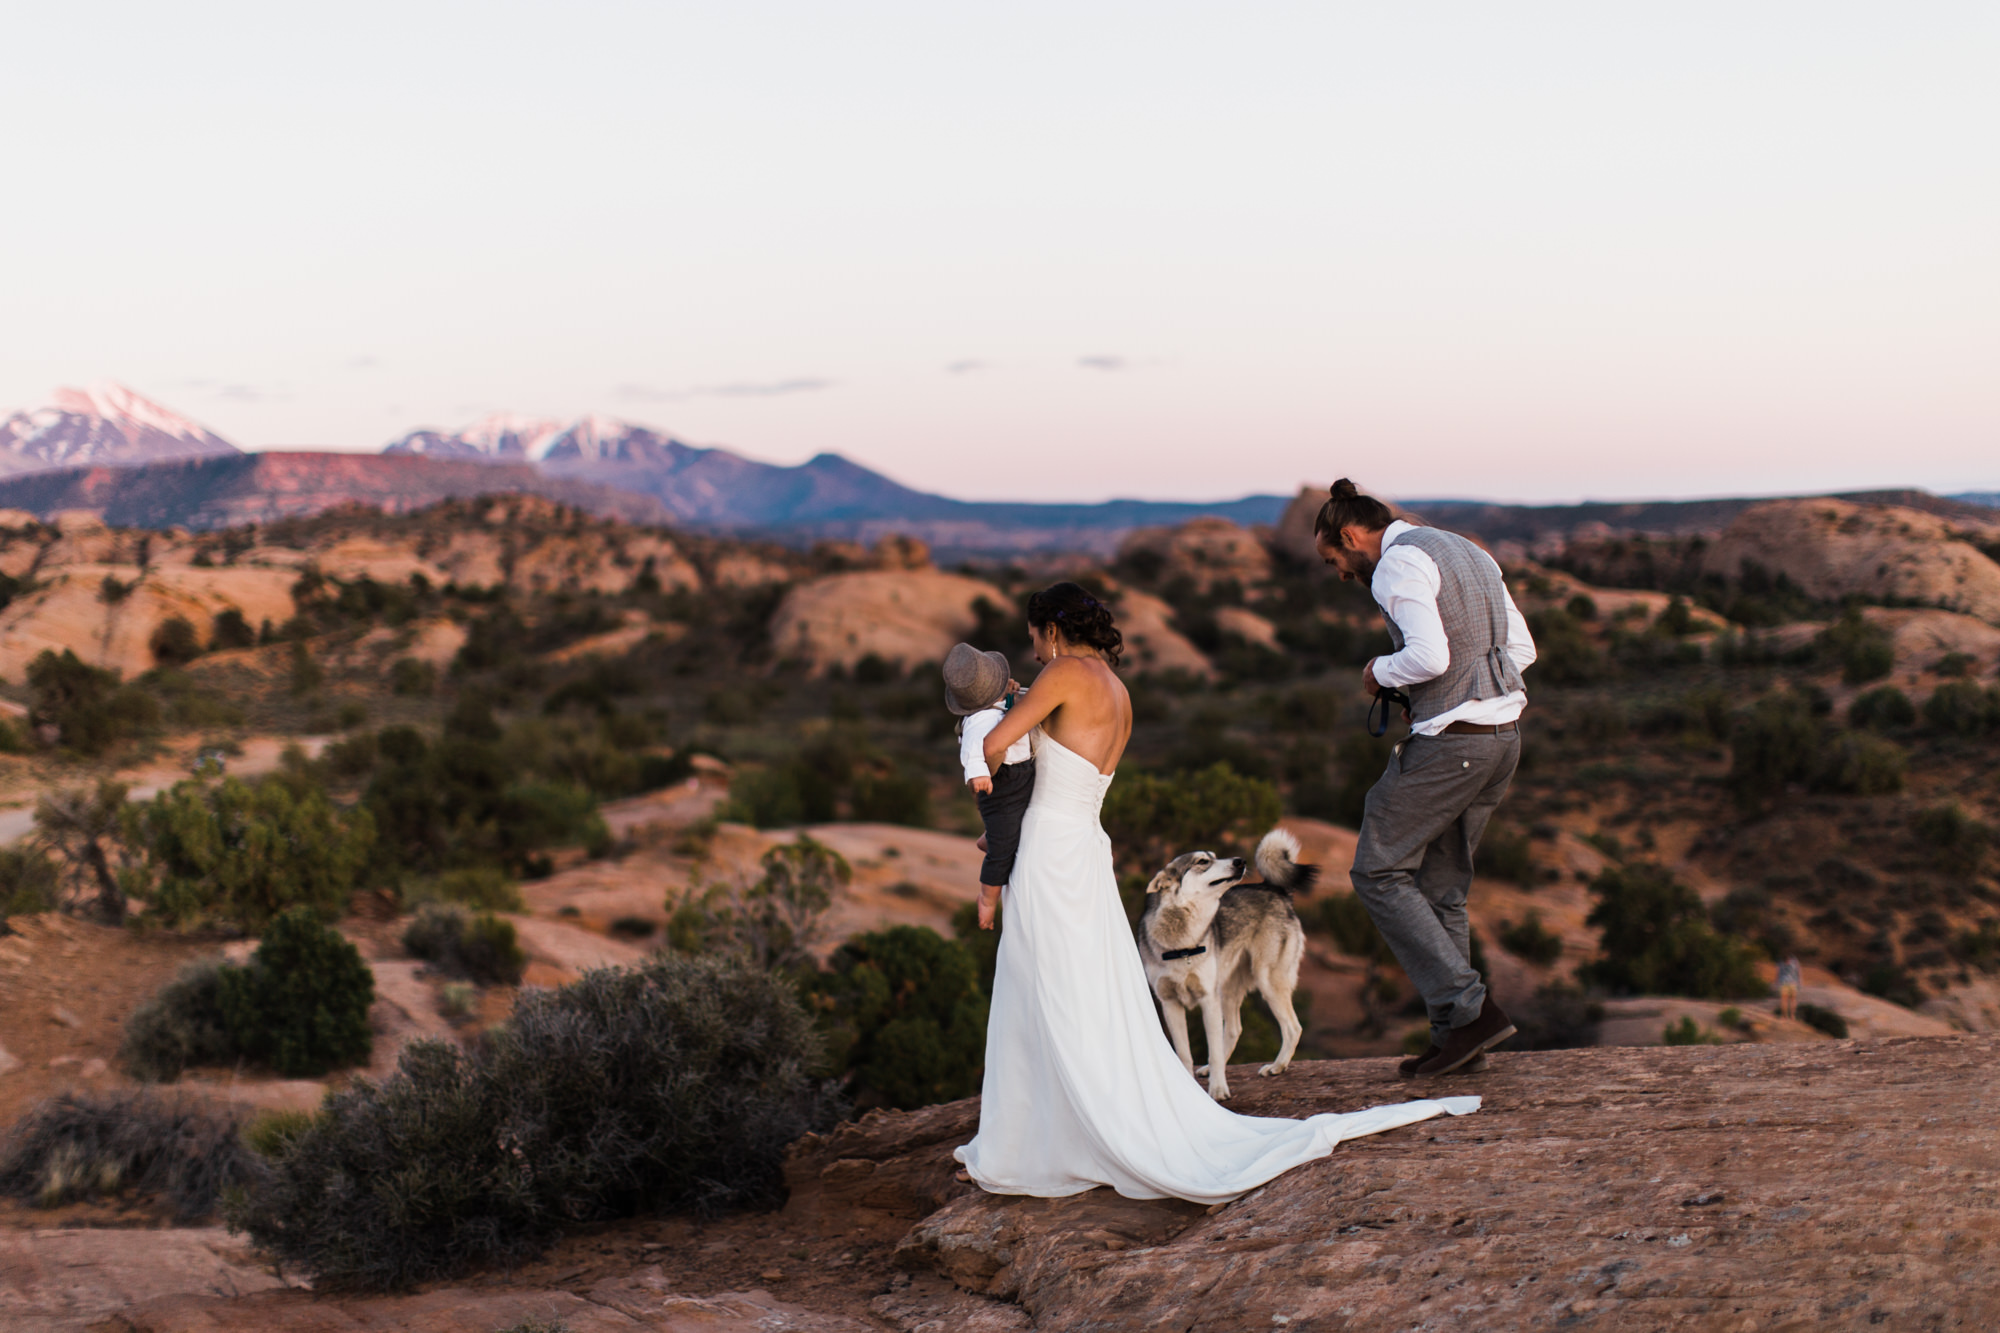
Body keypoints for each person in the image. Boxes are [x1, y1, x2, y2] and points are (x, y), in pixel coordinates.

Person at [953, 581, 1478, 1202]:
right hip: (1085, 846)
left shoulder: (1063, 673)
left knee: (1038, 982)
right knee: (1083, 984)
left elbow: (990, 749)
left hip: (1049, 849)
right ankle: (1068, 1124)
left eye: (1036, 638)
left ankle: (1037, 1140)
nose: (1035, 652)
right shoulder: (1116, 690)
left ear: (1052, 630)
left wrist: (979, 729)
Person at [1314, 479, 1538, 1079]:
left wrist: (1380, 672)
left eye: (1334, 559)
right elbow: (1522, 648)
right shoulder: (1469, 551)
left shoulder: (1394, 565)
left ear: (1351, 536)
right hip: (1502, 738)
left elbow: (1430, 657)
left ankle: (1470, 1009)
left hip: (1452, 746)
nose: (1339, 573)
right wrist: (1482, 691)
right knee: (1442, 888)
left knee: (1377, 870)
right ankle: (1456, 1040)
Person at [943, 642, 1034, 921]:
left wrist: (1009, 696)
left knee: (1013, 823)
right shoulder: (978, 720)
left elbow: (1006, 712)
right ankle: (988, 899)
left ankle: (989, 835)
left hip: (1021, 772)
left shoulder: (993, 706)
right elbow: (971, 750)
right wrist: (979, 774)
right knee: (1002, 848)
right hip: (1002, 780)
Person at [1776, 956, 1802, 1021]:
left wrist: (1777, 981)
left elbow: (1778, 973)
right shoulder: (1794, 961)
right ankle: (1790, 1016)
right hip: (1790, 983)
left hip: (1785, 982)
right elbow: (1798, 972)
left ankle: (1786, 1016)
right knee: (1790, 1000)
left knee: (1786, 1000)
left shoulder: (1781, 962)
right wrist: (1800, 981)